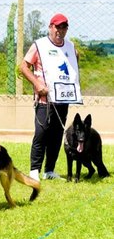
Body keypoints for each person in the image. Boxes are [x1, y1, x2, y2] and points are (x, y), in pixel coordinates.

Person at [20, 13, 81, 181]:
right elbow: (24, 66)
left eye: (64, 27)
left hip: (62, 99)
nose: (60, 30)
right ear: (50, 27)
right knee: (41, 133)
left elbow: (76, 59)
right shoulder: (39, 45)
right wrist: (37, 84)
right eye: (57, 27)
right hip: (44, 100)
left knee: (56, 134)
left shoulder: (70, 46)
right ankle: (34, 171)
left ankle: (49, 170)